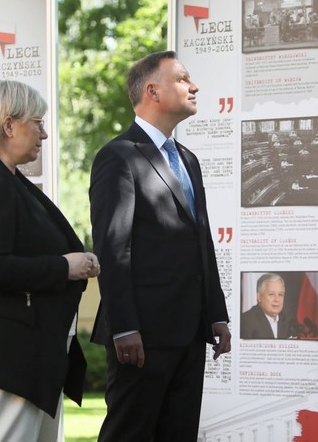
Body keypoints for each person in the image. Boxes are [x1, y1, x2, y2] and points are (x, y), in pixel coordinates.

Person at [0, 80, 99, 442]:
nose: (43, 134)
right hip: (5, 353)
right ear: (9, 125)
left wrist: (78, 260)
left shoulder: (10, 180)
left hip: (29, 350)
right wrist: (65, 267)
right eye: (37, 122)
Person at [90, 50, 231, 441]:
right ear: (153, 91)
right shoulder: (117, 157)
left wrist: (216, 314)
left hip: (189, 332)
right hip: (142, 337)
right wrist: (124, 328)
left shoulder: (188, 159)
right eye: (184, 79)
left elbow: (201, 240)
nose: (195, 86)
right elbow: (113, 249)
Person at [240, 273, 298, 340]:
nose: (277, 299)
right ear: (259, 297)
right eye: (271, 294)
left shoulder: (288, 322)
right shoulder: (246, 321)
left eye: (280, 294)